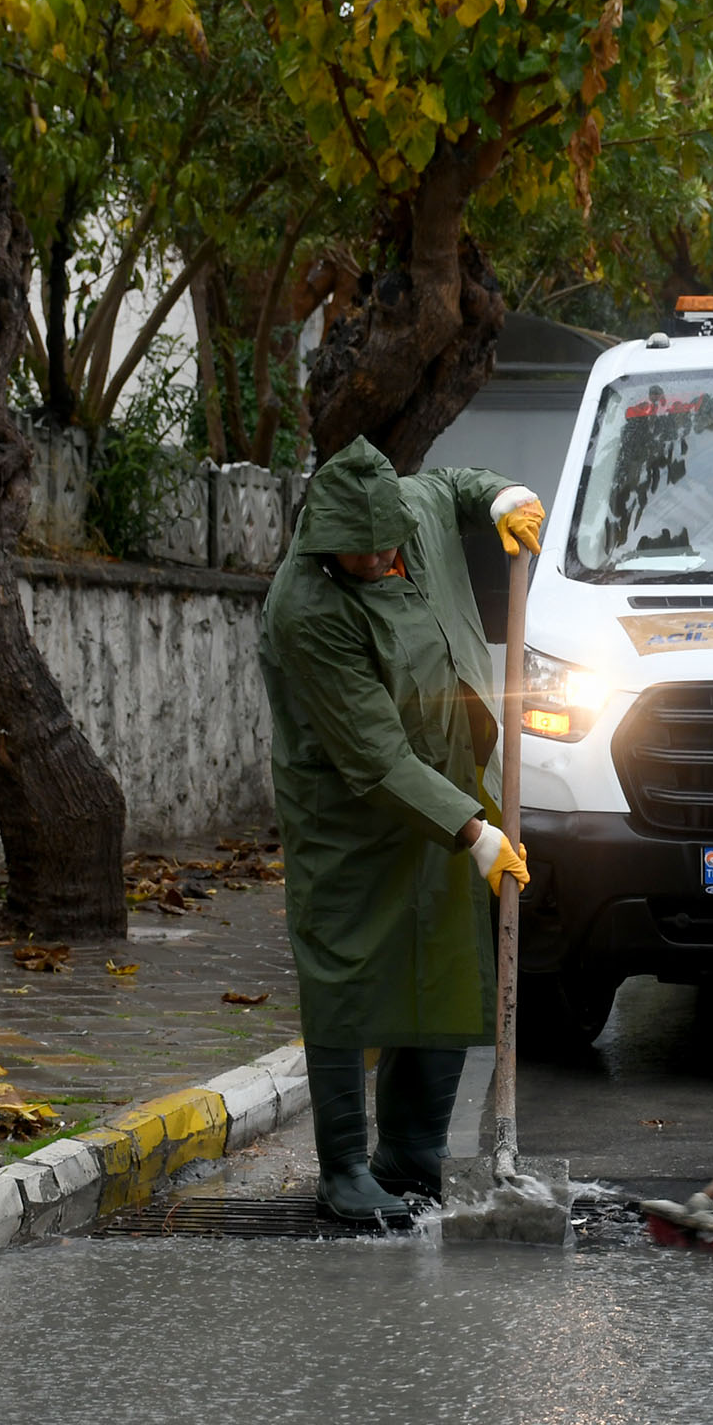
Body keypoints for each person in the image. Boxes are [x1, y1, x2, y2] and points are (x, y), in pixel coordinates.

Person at [258, 437, 544, 1224]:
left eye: (388, 546)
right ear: (326, 540)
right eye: (361, 553)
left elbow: (452, 482)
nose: (380, 559)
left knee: (442, 955)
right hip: (348, 808)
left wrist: (501, 496)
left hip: (448, 785)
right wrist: (476, 833)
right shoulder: (305, 607)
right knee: (347, 967)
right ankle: (344, 1168)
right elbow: (374, 756)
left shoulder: (407, 515)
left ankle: (413, 1153)